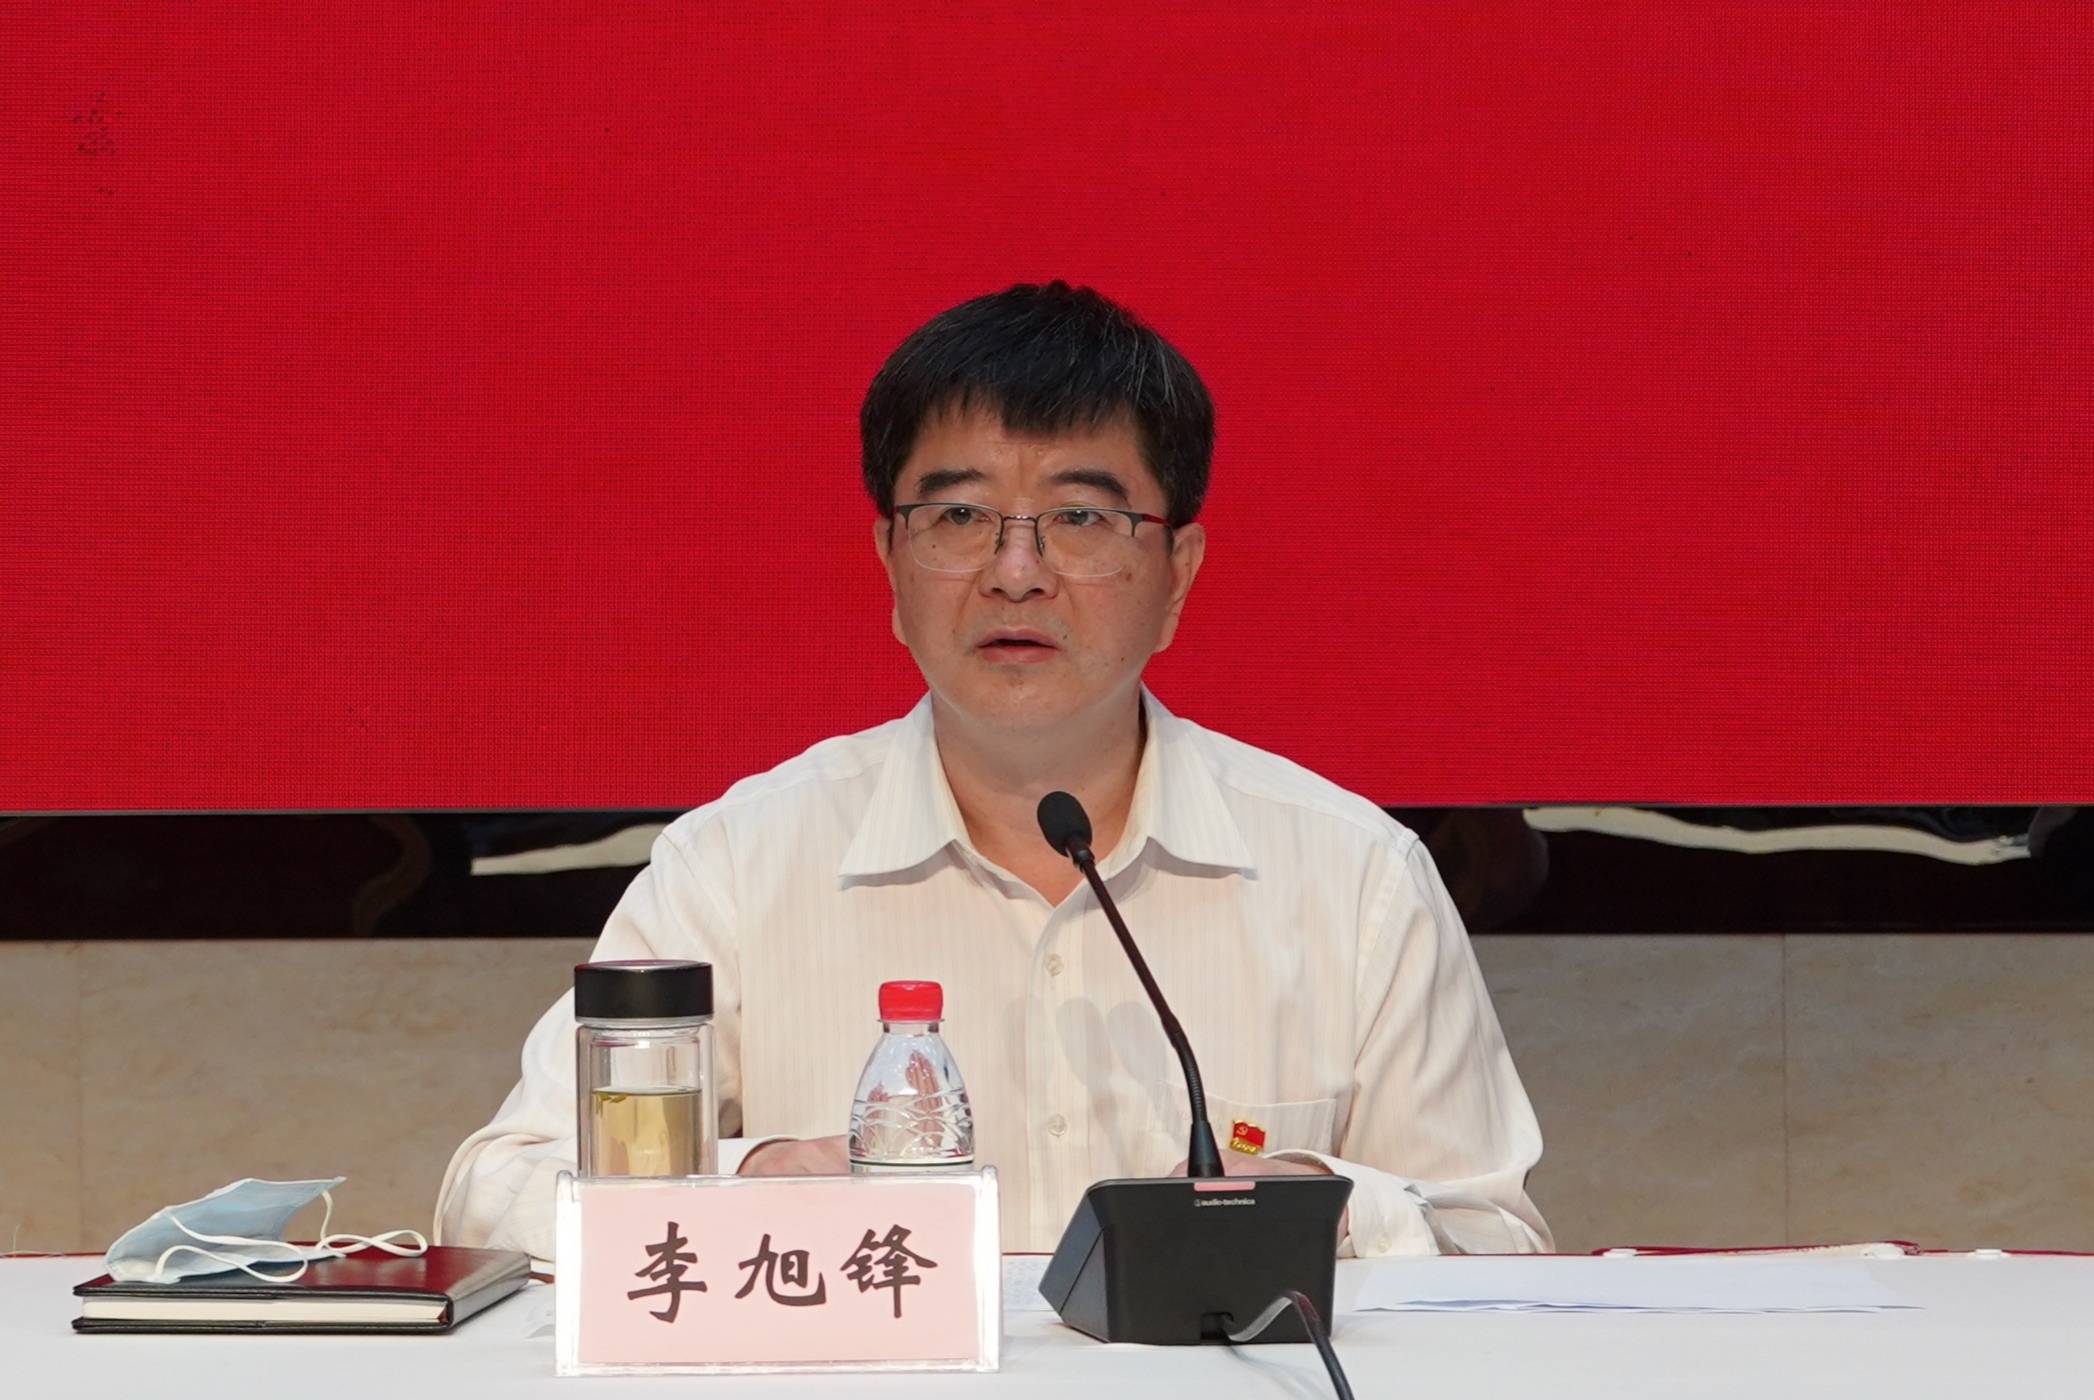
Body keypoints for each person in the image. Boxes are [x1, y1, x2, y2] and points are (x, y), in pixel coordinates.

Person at [438, 282, 1550, 1260]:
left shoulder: (1353, 877)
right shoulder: (733, 866)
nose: (1017, 572)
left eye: (1081, 517)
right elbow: (495, 1195)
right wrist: (746, 1179)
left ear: (1177, 572)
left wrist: (1324, 1206)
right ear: (890, 559)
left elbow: (1496, 1242)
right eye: (960, 515)